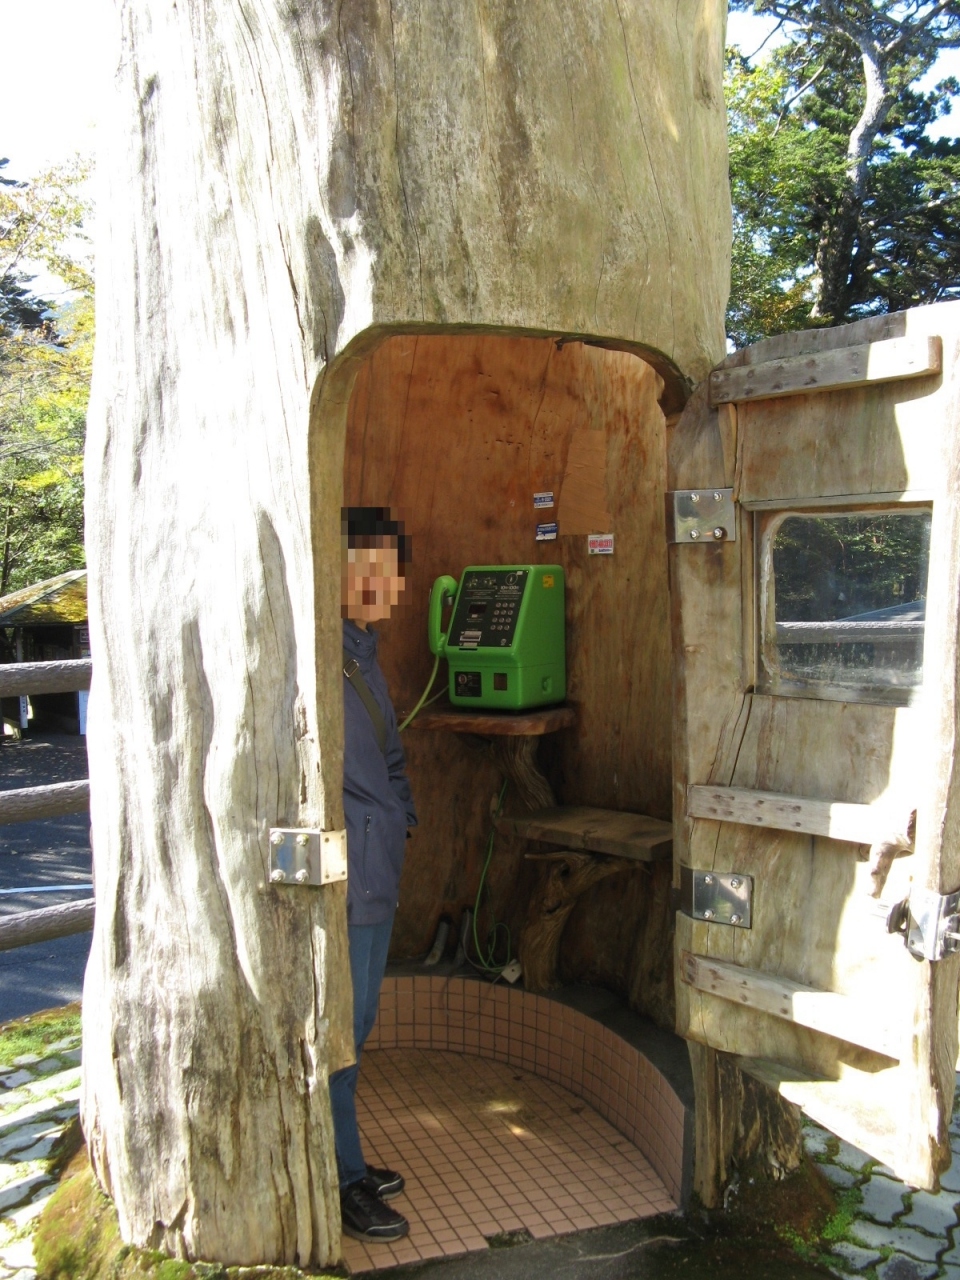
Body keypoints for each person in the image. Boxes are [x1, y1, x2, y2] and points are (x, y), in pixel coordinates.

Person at [331, 506, 417, 1243]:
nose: (382, 582)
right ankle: (342, 1177)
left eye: (390, 569)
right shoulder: (322, 656)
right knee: (343, 1025)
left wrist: (401, 816)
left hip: (377, 860)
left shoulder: (363, 654)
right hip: (347, 872)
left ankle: (346, 1157)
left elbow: (390, 756)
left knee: (359, 1022)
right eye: (369, 565)